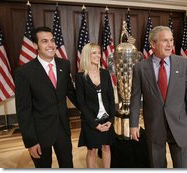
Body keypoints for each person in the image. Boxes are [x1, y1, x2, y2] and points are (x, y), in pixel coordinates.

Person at [129, 26, 187, 168]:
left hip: (179, 125)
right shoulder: (140, 68)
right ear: (153, 44)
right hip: (154, 125)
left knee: (182, 166)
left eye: (171, 40)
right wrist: (133, 124)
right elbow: (135, 98)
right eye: (165, 41)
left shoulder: (184, 64)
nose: (170, 45)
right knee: (157, 165)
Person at [15, 26, 77, 168]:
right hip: (40, 133)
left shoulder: (64, 64)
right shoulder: (24, 72)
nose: (50, 45)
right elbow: (23, 109)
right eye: (44, 41)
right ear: (35, 45)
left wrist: (92, 110)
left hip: (63, 129)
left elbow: (71, 93)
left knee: (68, 165)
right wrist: (30, 141)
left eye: (52, 40)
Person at [75, 43, 115, 168]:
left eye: (99, 52)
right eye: (94, 53)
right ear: (87, 55)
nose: (98, 55)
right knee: (91, 150)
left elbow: (111, 98)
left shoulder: (105, 73)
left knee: (106, 147)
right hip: (90, 120)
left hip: (106, 119)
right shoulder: (80, 77)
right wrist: (95, 124)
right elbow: (81, 103)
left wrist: (111, 119)